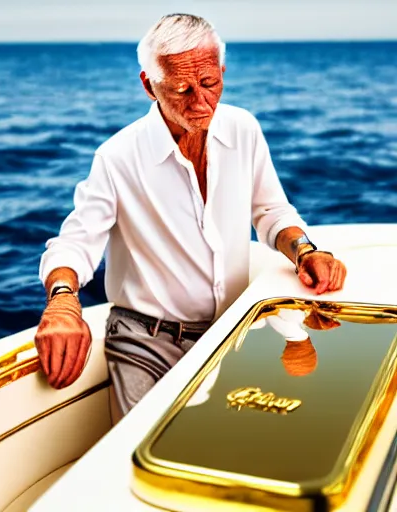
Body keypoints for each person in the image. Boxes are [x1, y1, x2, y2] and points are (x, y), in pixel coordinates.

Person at [34, 14, 347, 419]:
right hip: (143, 341)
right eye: (181, 89)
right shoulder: (117, 157)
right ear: (148, 85)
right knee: (143, 451)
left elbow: (270, 210)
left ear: (222, 72)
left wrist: (305, 252)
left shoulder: (243, 129)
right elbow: (76, 242)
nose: (200, 103)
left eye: (210, 84)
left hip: (233, 330)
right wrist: (62, 302)